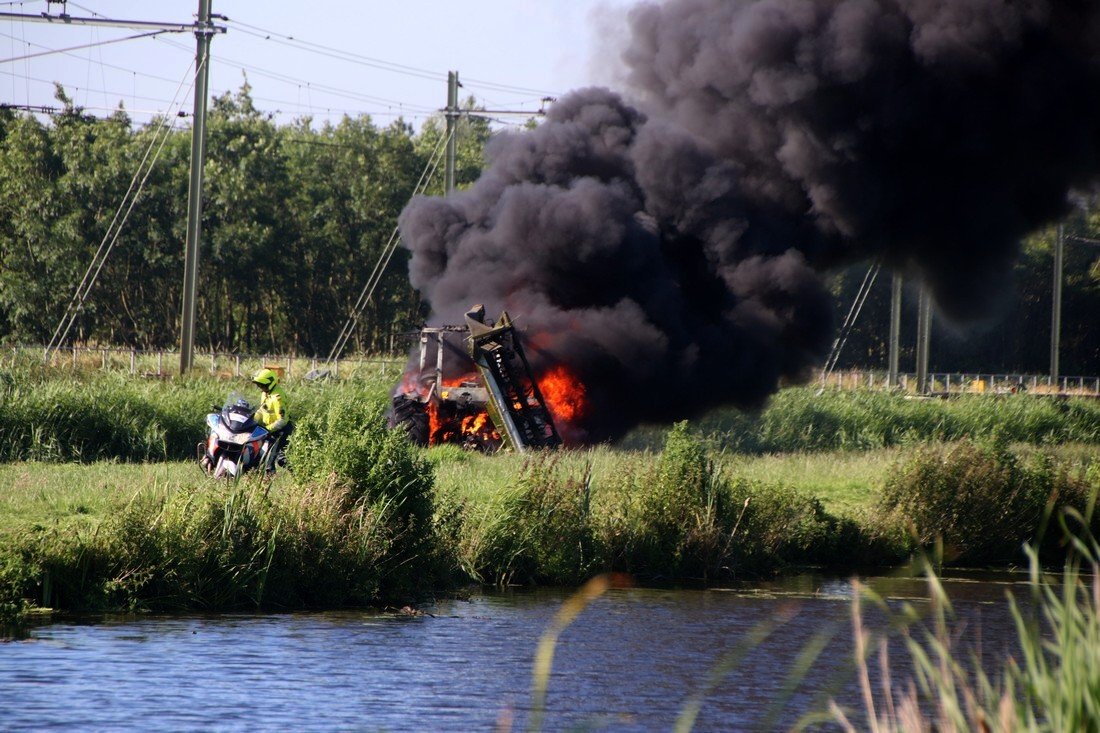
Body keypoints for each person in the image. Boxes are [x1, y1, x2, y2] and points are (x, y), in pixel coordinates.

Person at [251, 367, 292, 472]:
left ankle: (301, 474)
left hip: (281, 431)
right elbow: (262, 410)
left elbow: (283, 420)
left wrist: (267, 429)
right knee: (267, 457)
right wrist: (251, 421)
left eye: (262, 385)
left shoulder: (278, 397)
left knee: (278, 459)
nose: (261, 387)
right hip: (269, 431)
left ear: (270, 383)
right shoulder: (265, 393)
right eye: (259, 385)